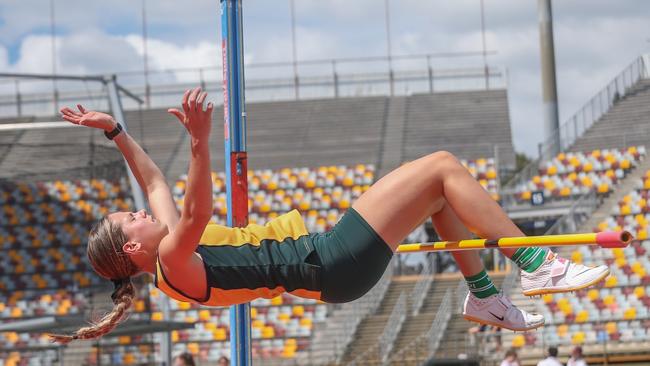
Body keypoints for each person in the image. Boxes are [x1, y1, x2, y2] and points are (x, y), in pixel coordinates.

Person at [49, 87, 609, 343]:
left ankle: (483, 294)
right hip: (328, 261)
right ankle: (536, 262)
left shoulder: (165, 254)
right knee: (441, 166)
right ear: (132, 250)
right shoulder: (173, 257)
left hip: (329, 267)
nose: (142, 212)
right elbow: (198, 210)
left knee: (439, 195)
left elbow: (152, 180)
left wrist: (115, 131)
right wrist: (199, 142)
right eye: (131, 218)